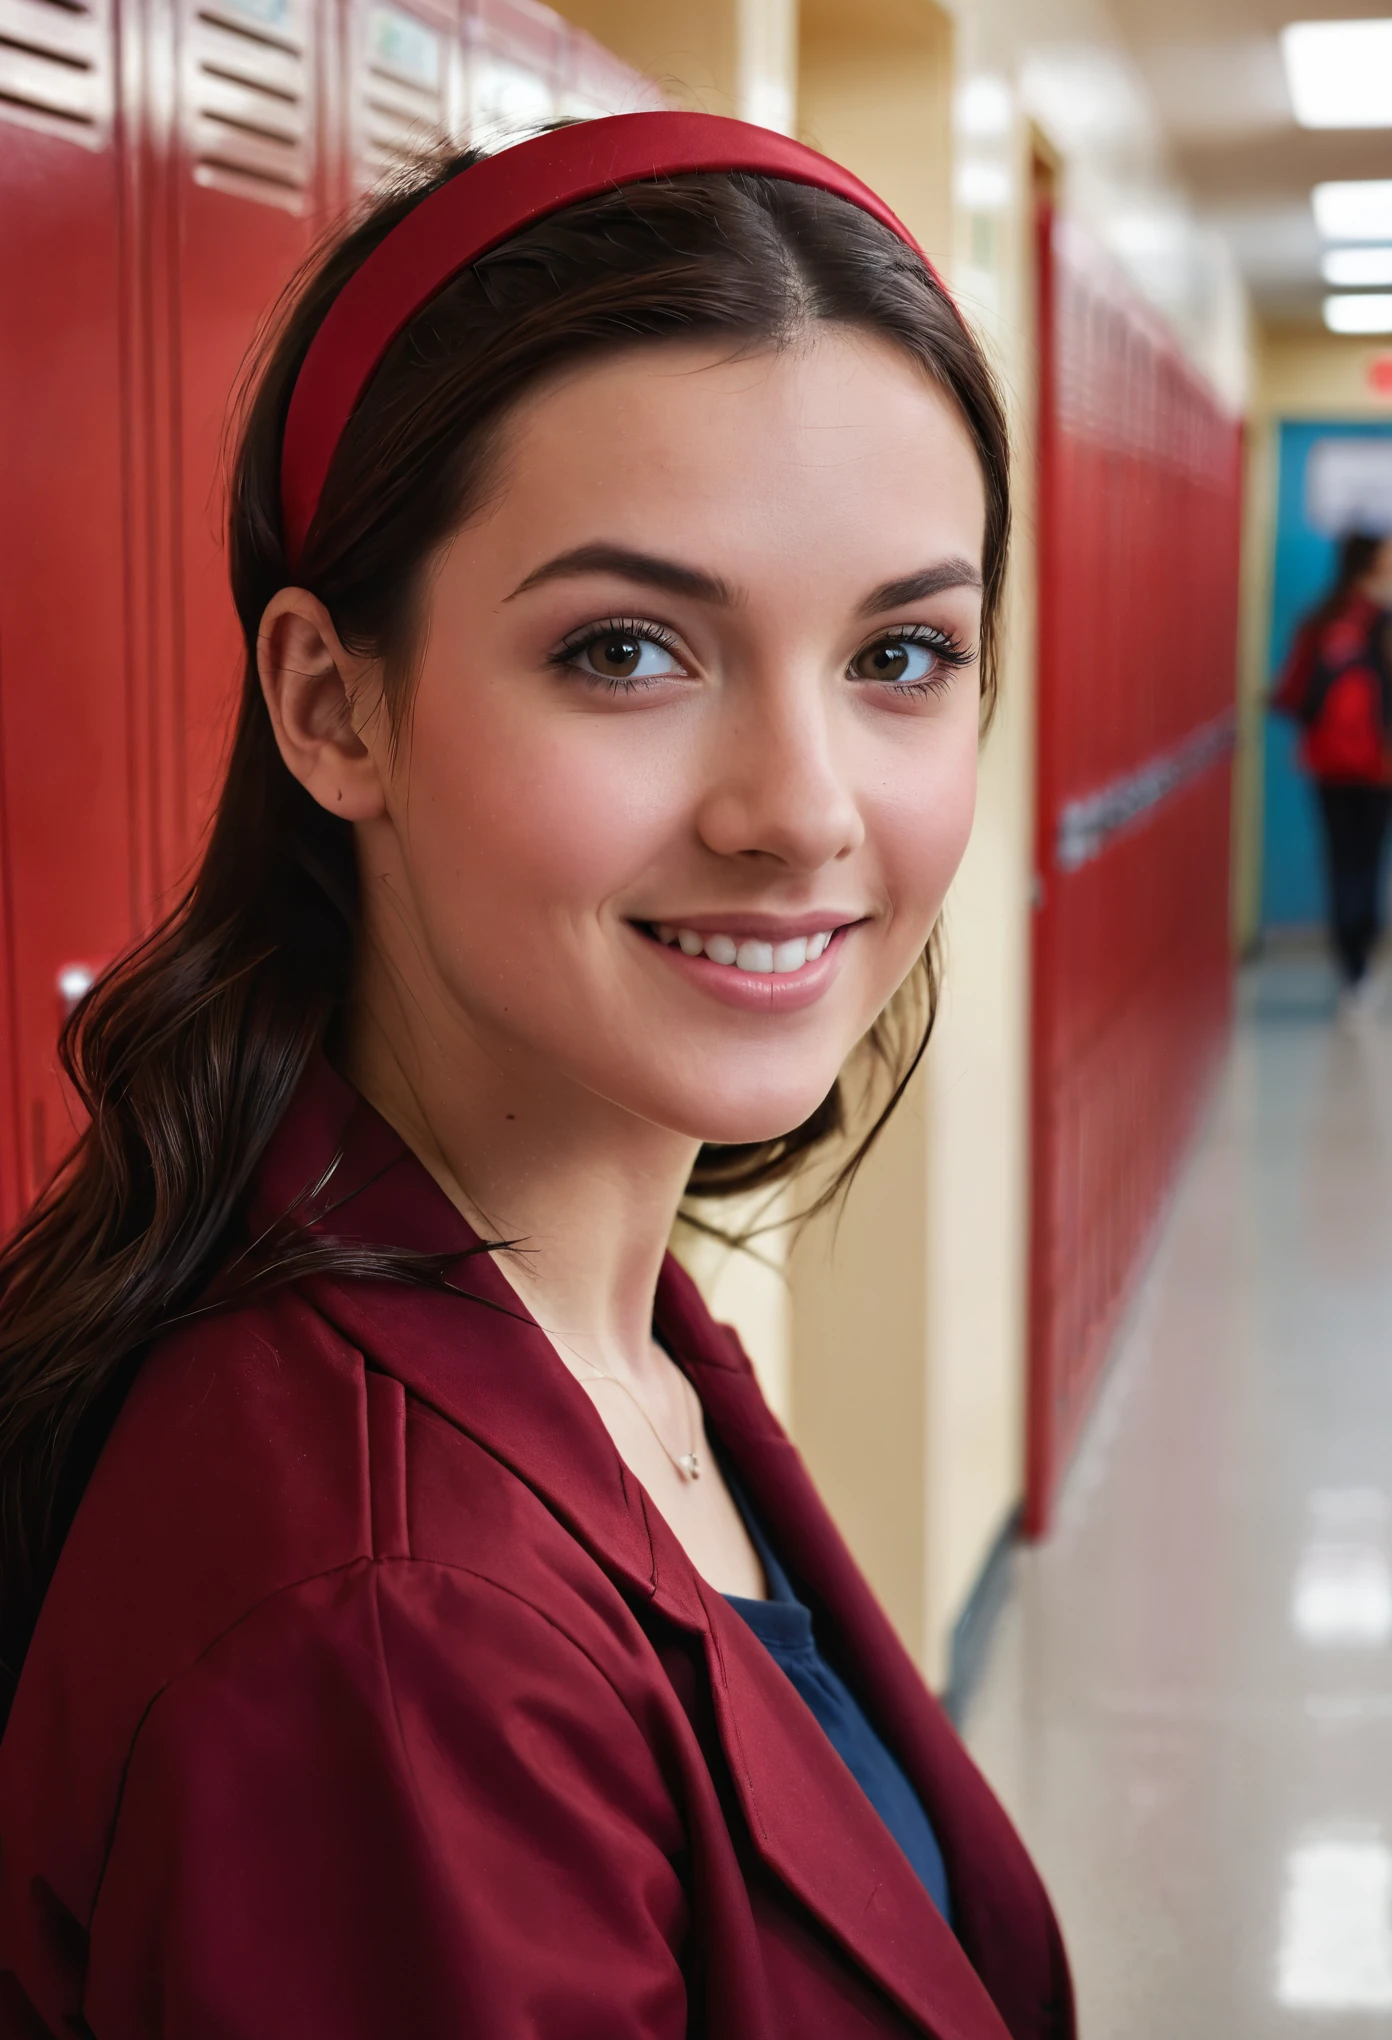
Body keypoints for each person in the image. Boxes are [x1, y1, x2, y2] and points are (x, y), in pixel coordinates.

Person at [0, 116, 1072, 2038]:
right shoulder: (390, 1639)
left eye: (901, 652)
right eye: (630, 648)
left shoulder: (597, 1336)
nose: (800, 812)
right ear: (336, 706)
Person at [1273, 529, 1392, 993]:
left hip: (1327, 761)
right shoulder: (1382, 620)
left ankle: (1350, 964)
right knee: (1368, 858)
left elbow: (1292, 693)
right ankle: (1361, 956)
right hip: (1378, 764)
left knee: (1341, 857)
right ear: (1369, 565)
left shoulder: (1319, 620)